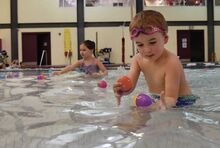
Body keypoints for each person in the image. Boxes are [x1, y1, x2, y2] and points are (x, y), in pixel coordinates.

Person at [113, 10, 199, 110]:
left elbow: (171, 98)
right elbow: (130, 85)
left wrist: (153, 108)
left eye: (152, 42)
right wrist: (122, 90)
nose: (147, 50)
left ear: (165, 39)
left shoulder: (171, 62)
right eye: (140, 45)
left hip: (183, 102)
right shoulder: (137, 59)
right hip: (158, 98)